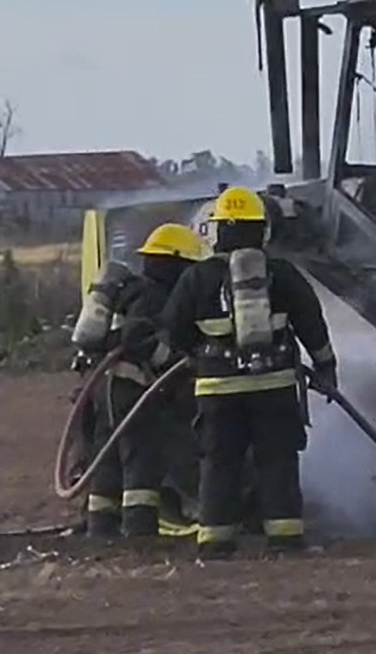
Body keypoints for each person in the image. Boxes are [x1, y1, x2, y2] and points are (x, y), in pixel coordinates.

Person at [160, 185, 337, 559]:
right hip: (273, 386)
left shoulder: (197, 278)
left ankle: (214, 543)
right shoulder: (281, 274)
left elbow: (173, 331)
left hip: (216, 390)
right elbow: (312, 325)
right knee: (277, 460)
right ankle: (285, 540)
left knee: (219, 463)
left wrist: (198, 357)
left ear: (219, 228)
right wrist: (326, 368)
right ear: (263, 229)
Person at [85, 222, 207, 538]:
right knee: (142, 459)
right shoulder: (153, 295)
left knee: (108, 460)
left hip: (105, 388)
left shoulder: (131, 289)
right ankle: (140, 534)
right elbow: (137, 336)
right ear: (176, 262)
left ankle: (101, 530)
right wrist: (172, 361)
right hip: (133, 388)